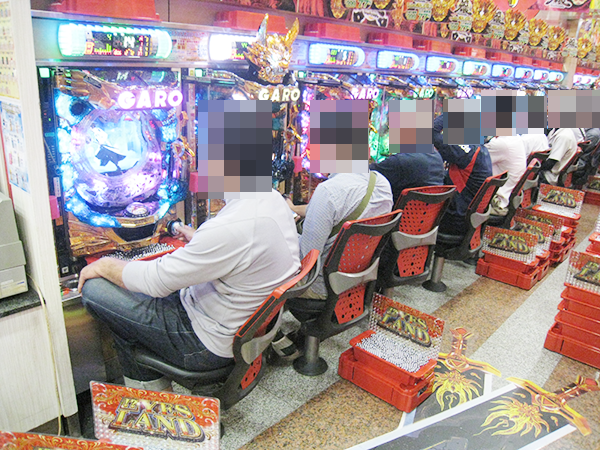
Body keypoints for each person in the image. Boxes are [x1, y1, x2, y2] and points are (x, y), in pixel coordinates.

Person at [78, 190, 301, 391]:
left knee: (95, 290)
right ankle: (153, 406)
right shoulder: (271, 198)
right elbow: (242, 245)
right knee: (125, 318)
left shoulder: (232, 227)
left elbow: (154, 281)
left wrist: (105, 265)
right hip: (240, 329)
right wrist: (201, 242)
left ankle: (155, 409)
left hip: (206, 344)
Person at [276, 171, 393, 360]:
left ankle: (268, 332)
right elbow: (333, 211)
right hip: (356, 282)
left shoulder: (328, 191)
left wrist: (282, 230)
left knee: (262, 256)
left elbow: (307, 257)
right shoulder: (381, 183)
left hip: (319, 287)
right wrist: (295, 209)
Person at [432, 114, 492, 235]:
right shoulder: (480, 149)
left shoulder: (466, 150)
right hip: (467, 218)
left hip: (454, 220)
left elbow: (431, 132)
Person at [369, 150, 445, 207]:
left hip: (395, 217)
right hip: (425, 218)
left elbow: (365, 173)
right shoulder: (435, 155)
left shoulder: (399, 161)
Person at [485, 136, 527, 217]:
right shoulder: (516, 138)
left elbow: (474, 158)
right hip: (507, 196)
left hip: (496, 202)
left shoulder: (501, 144)